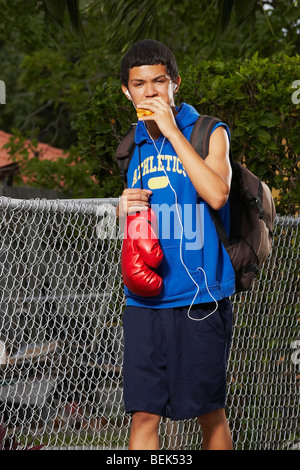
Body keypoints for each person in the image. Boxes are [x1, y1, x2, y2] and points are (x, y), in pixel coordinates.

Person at [117, 39, 235, 450]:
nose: (149, 92)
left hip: (199, 299)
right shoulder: (133, 144)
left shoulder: (208, 131)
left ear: (175, 84)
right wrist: (121, 209)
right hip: (145, 301)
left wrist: (170, 129)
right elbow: (140, 222)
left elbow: (217, 194)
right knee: (144, 413)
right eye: (139, 84)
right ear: (126, 92)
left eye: (159, 81)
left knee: (209, 413)